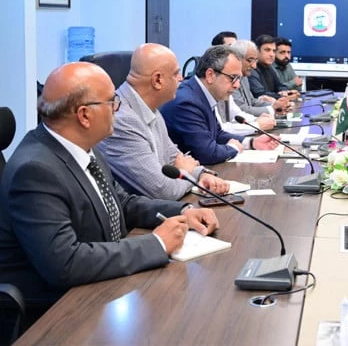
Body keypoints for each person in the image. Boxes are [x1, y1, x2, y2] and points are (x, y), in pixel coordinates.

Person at [0, 62, 219, 309]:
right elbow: (65, 263)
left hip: (102, 286)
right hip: (59, 310)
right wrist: (157, 243)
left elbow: (121, 202)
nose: (117, 108)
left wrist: (182, 211)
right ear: (84, 115)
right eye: (112, 102)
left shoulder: (82, 147)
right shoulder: (35, 171)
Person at [97, 43, 230, 200]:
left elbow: (173, 157)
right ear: (157, 80)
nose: (181, 79)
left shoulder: (151, 109)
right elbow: (163, 190)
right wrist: (186, 173)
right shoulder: (122, 120)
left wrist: (202, 175)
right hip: (140, 213)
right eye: (176, 74)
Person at [160, 45, 279, 164]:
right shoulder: (187, 102)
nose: (237, 85)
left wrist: (252, 143)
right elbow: (206, 153)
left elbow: (217, 134)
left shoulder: (201, 93)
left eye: (239, 79)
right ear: (210, 75)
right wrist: (234, 148)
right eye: (233, 78)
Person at [230, 40, 291, 117]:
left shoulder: (244, 76)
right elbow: (241, 110)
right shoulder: (230, 79)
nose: (254, 66)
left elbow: (252, 101)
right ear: (237, 59)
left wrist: (276, 104)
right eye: (250, 60)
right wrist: (272, 109)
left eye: (255, 60)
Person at [248, 34, 298, 100]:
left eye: (274, 51)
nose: (272, 54)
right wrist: (282, 96)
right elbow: (259, 94)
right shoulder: (251, 69)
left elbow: (279, 86)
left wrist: (285, 92)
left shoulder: (270, 68)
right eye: (267, 50)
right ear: (257, 51)